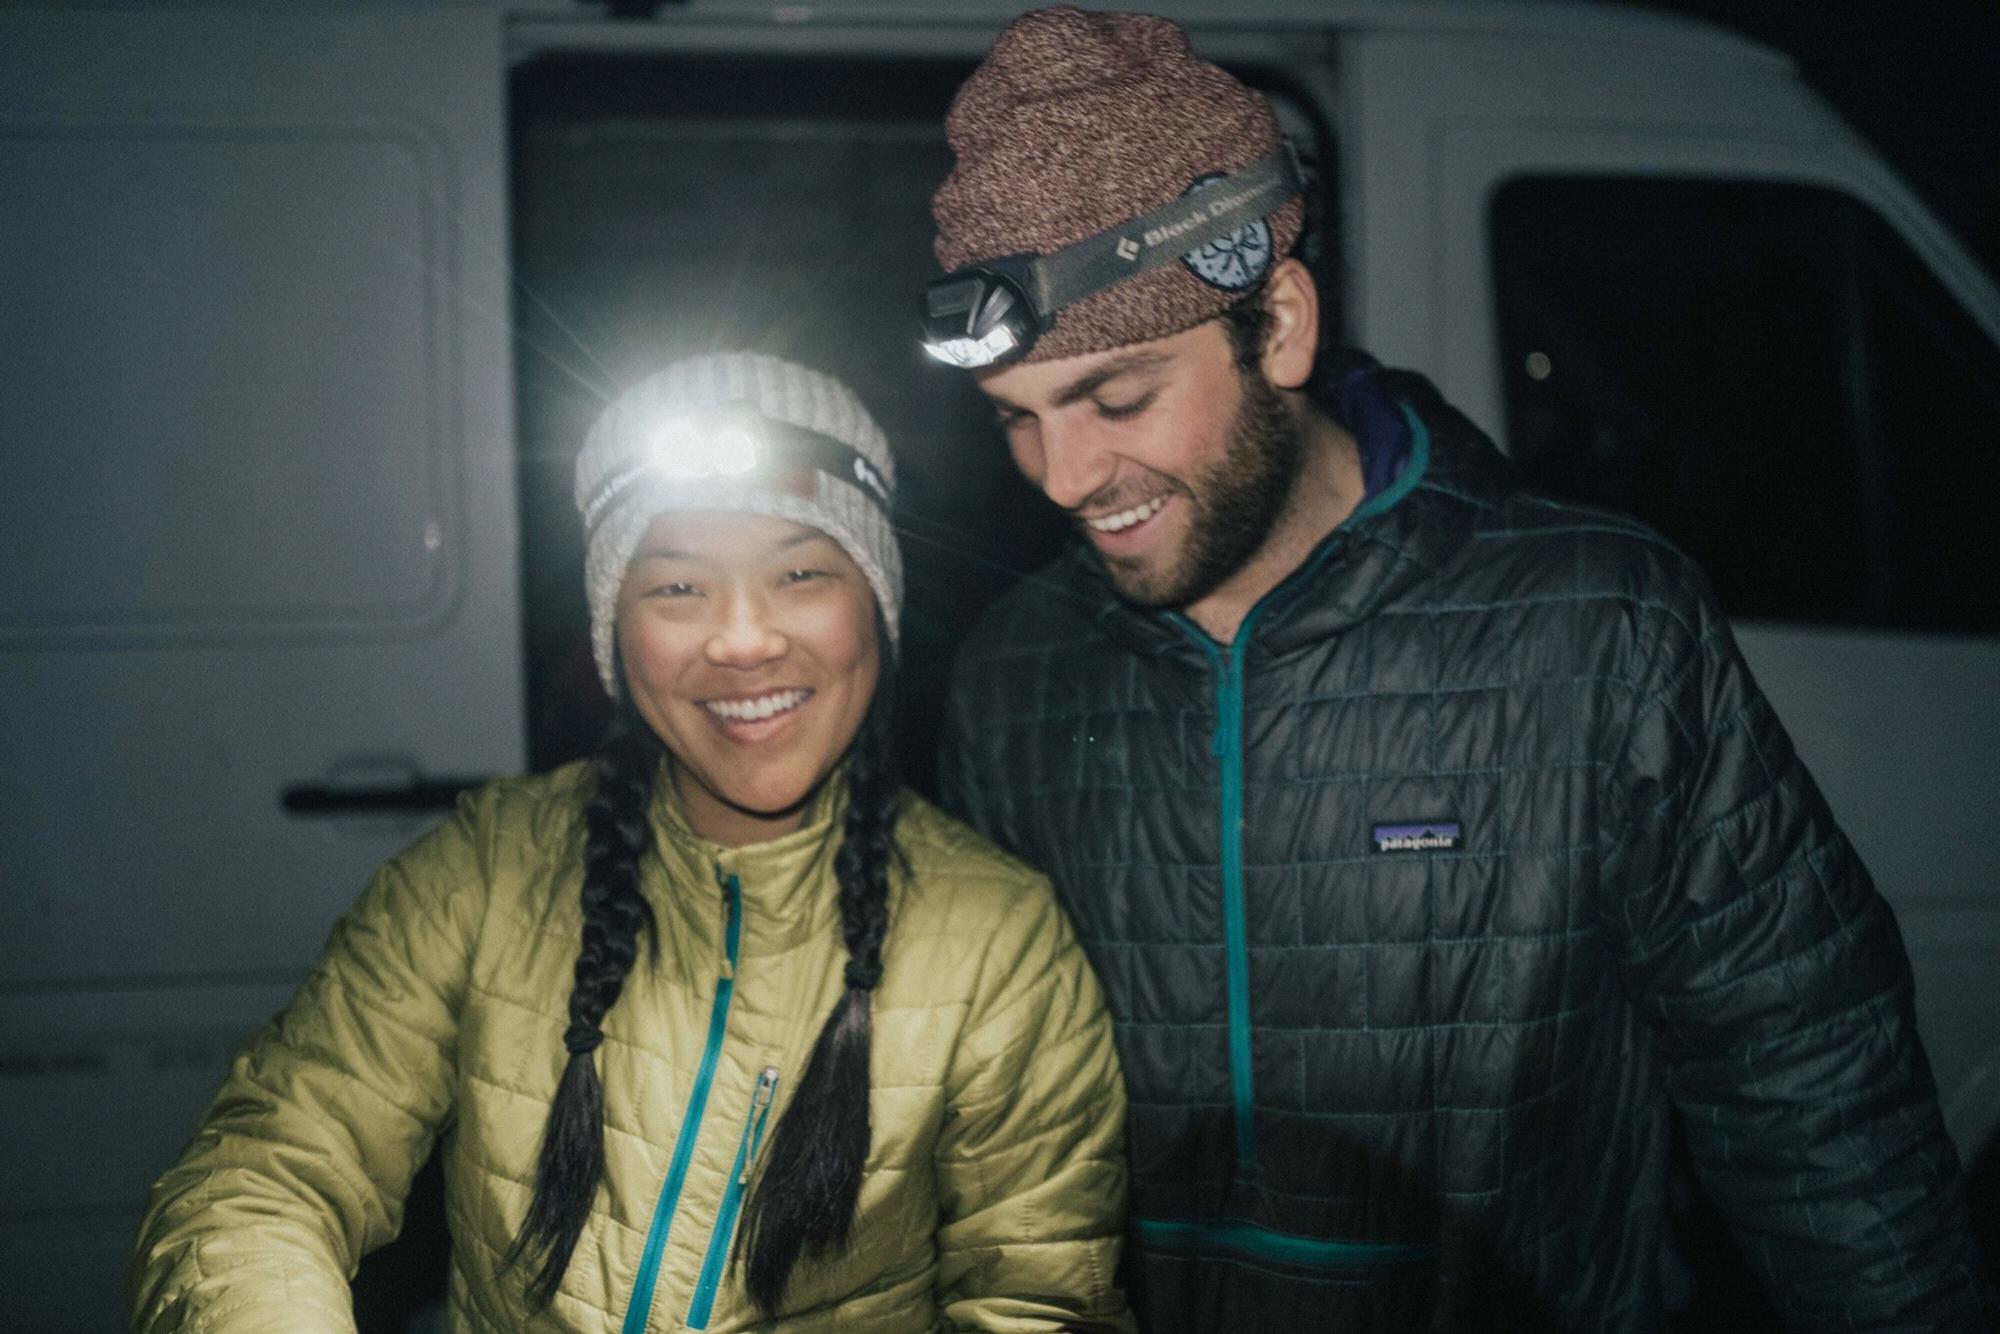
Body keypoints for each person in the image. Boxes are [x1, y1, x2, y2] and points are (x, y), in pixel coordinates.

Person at [924, 8, 1989, 1331]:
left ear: (1280, 323)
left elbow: (1812, 1088)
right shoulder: (1014, 674)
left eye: (1119, 398)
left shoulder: (1599, 624)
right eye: (1016, 420)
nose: (1063, 476)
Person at [130, 352, 1134, 1332]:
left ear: (875, 605)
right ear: (614, 628)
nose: (742, 639)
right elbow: (263, 1179)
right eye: (677, 588)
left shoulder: (997, 938)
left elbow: (1039, 1297)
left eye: (799, 573)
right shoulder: (490, 868)